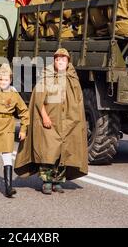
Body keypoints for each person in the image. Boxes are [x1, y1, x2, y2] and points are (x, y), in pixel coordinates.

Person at [14, 49, 88, 195]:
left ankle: (58, 181)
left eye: (63, 60)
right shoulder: (46, 77)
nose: (60, 62)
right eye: (58, 60)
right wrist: (45, 117)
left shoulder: (72, 78)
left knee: (63, 152)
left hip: (68, 123)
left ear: (68, 62)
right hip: (49, 122)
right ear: (54, 62)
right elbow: (38, 100)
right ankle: (47, 181)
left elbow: (78, 102)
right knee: (48, 152)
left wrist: (77, 121)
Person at [0, 64, 29, 197]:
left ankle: (8, 187)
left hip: (8, 126)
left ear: (11, 80)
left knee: (7, 155)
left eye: (6, 80)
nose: (3, 82)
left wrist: (23, 129)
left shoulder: (14, 94)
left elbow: (24, 112)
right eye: (1, 80)